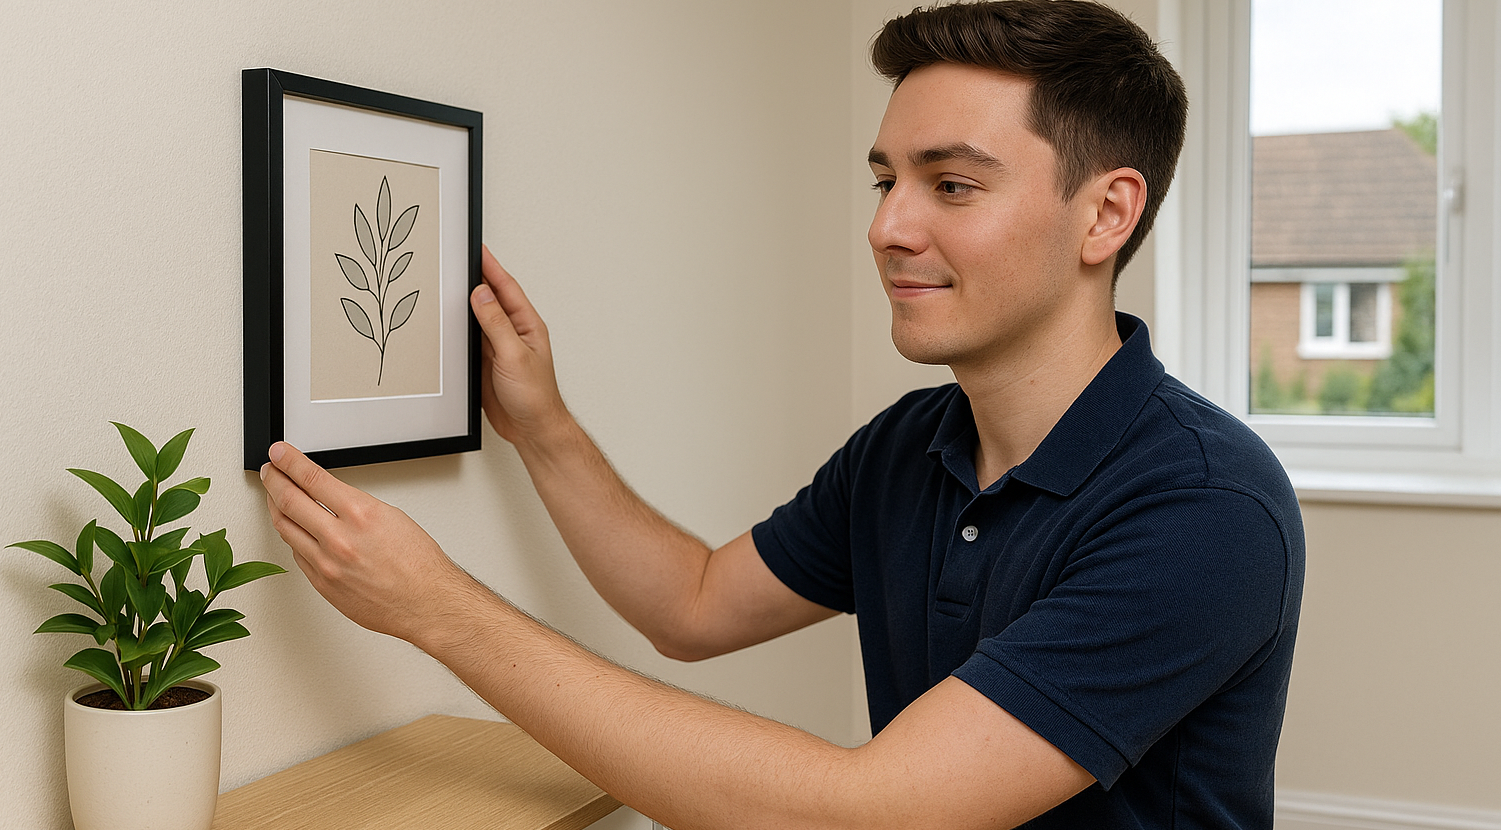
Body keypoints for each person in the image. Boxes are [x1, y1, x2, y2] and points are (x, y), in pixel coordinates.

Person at [260, 1, 1306, 827]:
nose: (888, 226)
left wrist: (438, 608)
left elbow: (871, 812)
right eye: (886, 179)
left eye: (950, 184)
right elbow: (695, 603)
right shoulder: (911, 444)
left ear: (1106, 213)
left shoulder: (1205, 510)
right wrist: (542, 424)